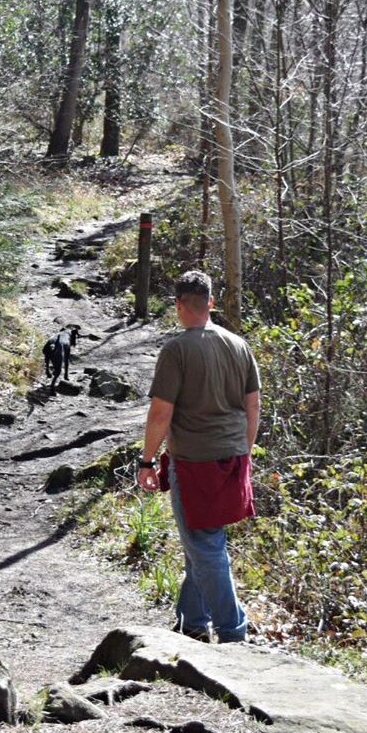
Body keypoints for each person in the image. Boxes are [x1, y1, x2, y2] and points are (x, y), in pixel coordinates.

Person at [136, 270, 260, 643]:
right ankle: (192, 622)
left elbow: (161, 413)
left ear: (178, 305)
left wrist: (146, 460)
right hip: (232, 458)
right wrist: (246, 451)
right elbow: (253, 405)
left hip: (195, 464)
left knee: (205, 546)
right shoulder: (239, 345)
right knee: (201, 543)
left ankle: (233, 631)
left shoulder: (177, 350)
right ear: (210, 302)